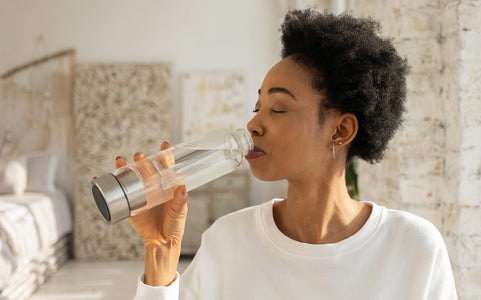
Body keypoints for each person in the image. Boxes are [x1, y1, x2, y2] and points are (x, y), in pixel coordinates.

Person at [124, 9, 457, 300]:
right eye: (257, 107)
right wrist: (161, 254)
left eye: (278, 108)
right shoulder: (228, 241)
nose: (253, 124)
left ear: (340, 131)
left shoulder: (413, 248)